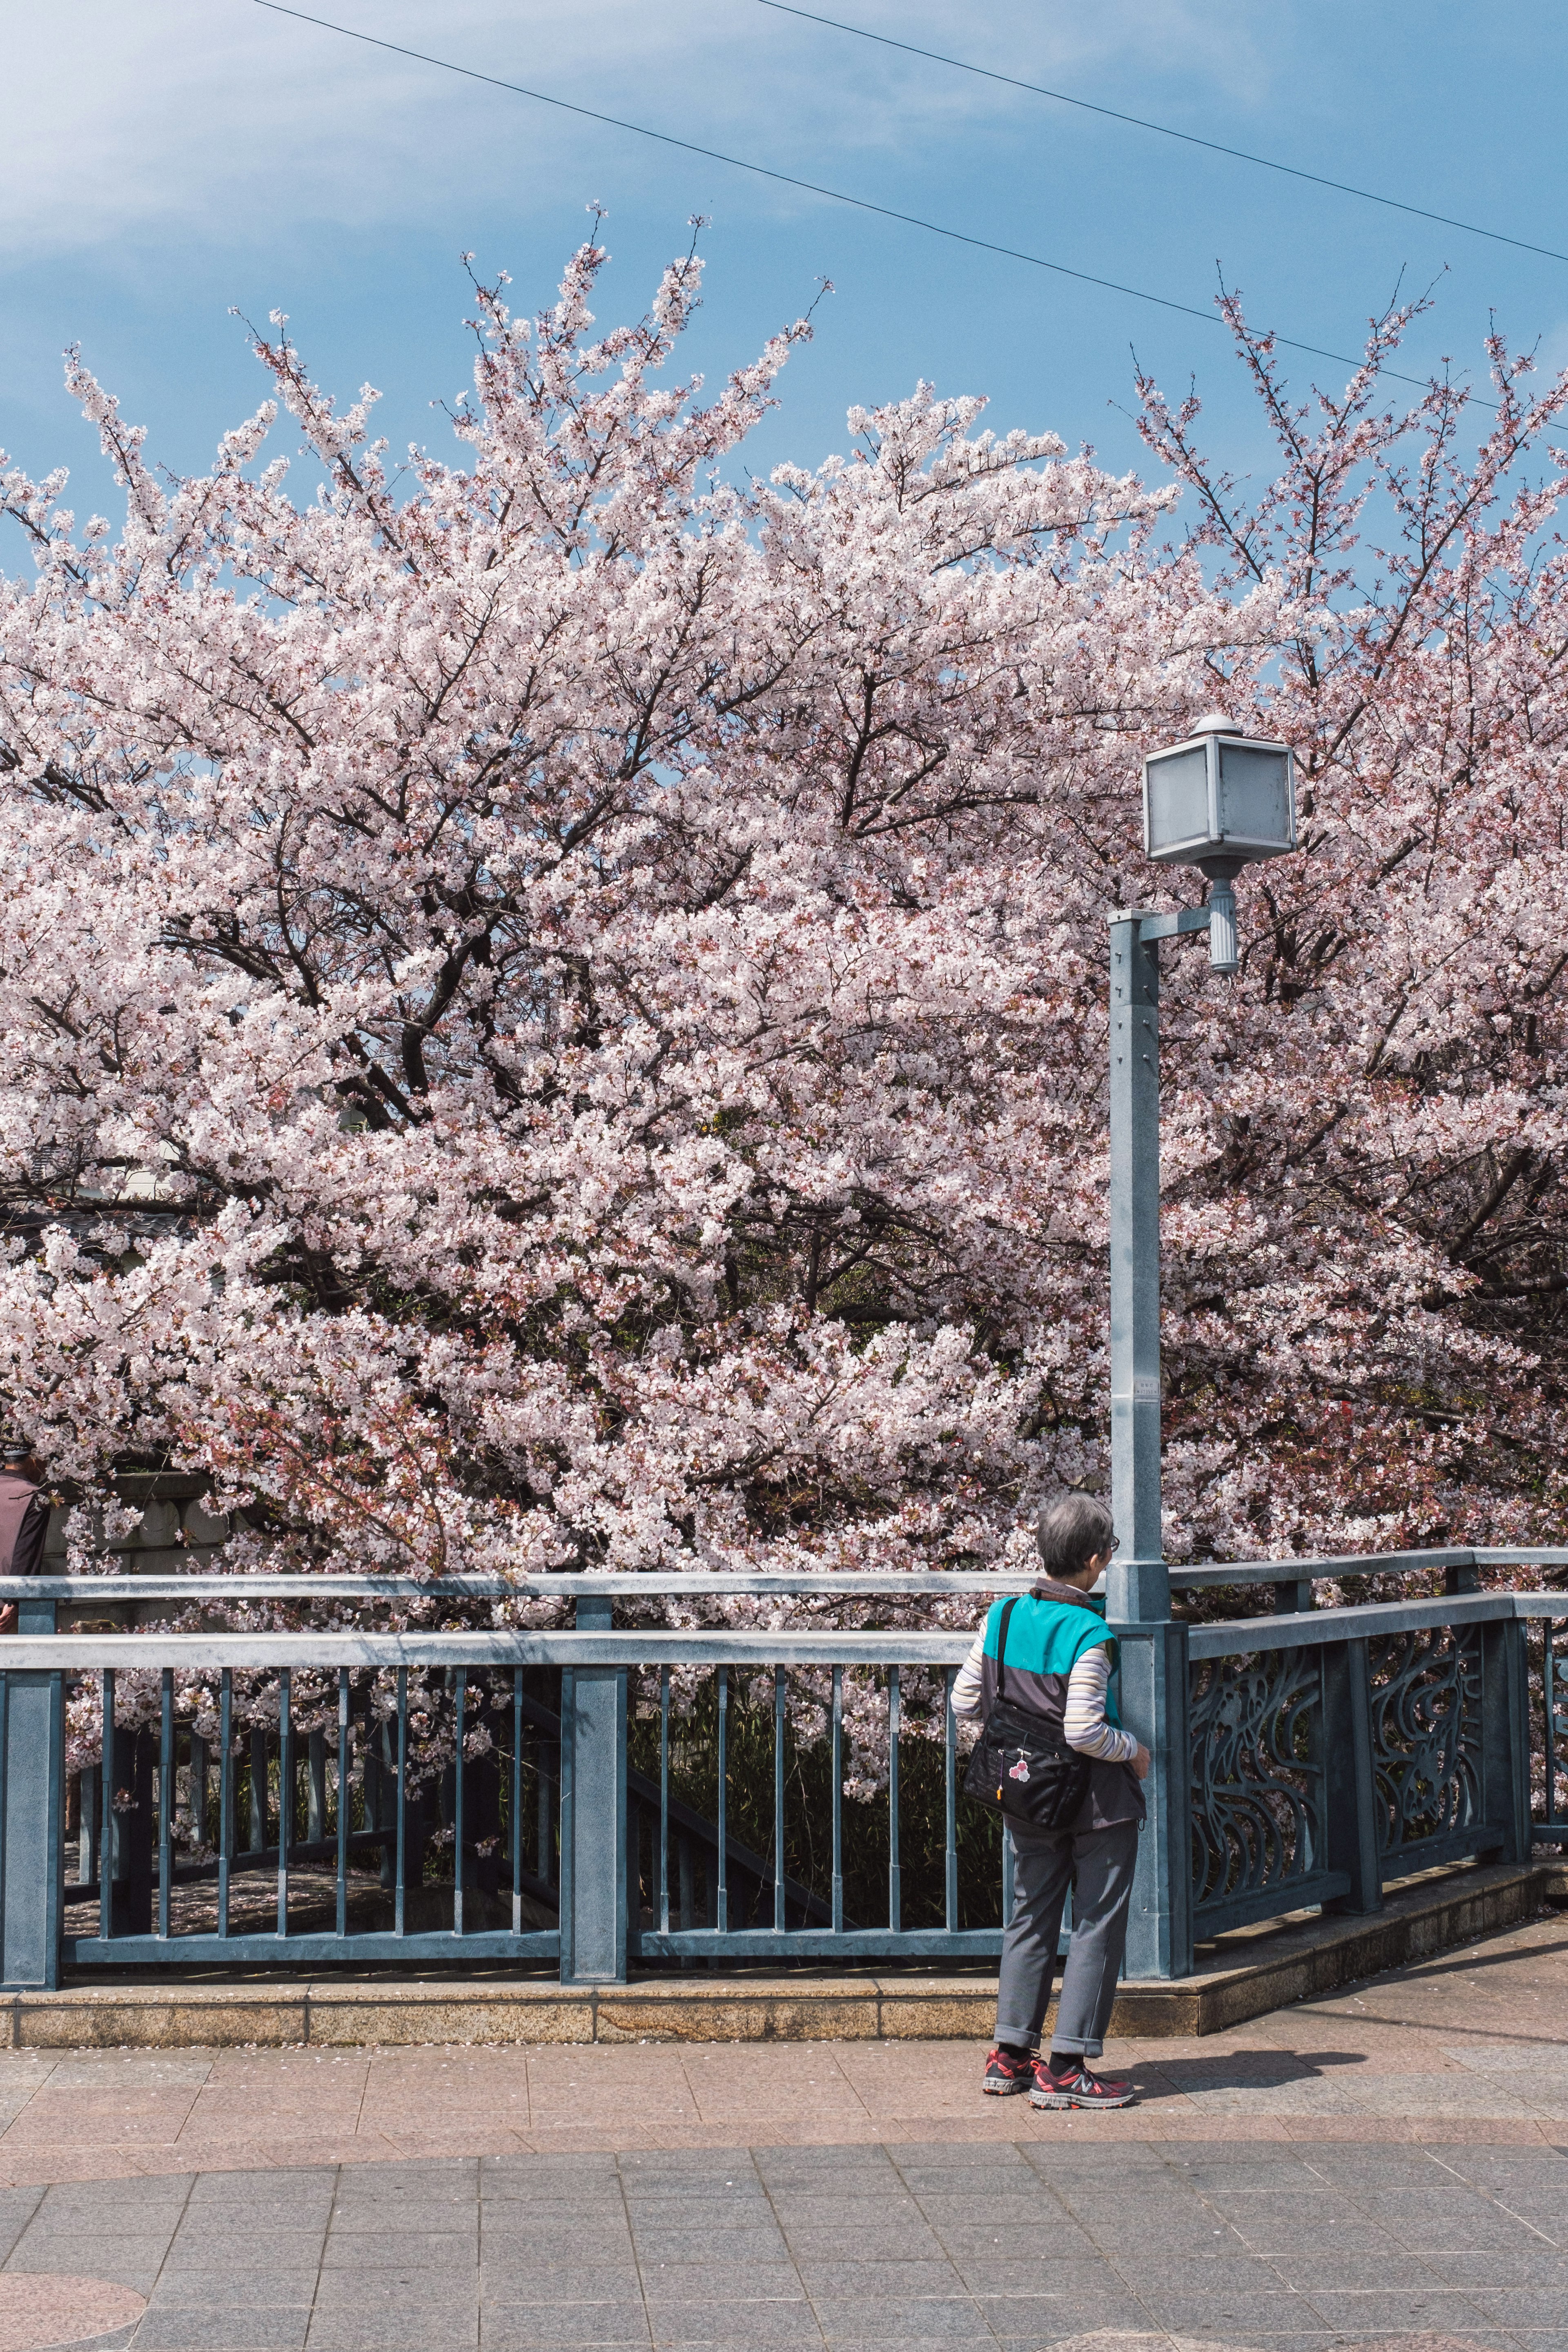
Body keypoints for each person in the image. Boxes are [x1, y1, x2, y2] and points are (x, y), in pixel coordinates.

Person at [952, 1492, 1150, 2110]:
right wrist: (1135, 1751)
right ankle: (1067, 2064)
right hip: (1095, 1803)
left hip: (1025, 1794)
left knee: (1030, 1915)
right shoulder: (1090, 1631)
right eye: (1109, 1553)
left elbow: (964, 1703)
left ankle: (1010, 2054)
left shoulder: (1003, 1617)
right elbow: (1084, 1731)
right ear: (1095, 1560)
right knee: (1096, 1924)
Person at [0, 1443, 51, 1635]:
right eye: (45, 1460)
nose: (46, 1468)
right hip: (6, 1600)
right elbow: (27, 1551)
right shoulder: (35, 1496)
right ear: (33, 1459)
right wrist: (14, 1601)